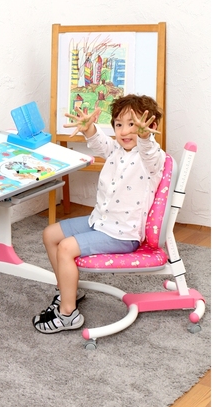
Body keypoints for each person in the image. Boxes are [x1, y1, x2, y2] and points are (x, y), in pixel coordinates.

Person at [33, 94, 166, 334]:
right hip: (99, 222)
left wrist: (145, 137)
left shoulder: (151, 159)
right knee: (50, 234)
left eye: (133, 124)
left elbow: (149, 151)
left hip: (122, 234)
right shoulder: (117, 149)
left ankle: (67, 314)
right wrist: (89, 128)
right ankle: (67, 290)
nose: (124, 131)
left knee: (66, 248)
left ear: (151, 126)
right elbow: (99, 142)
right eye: (119, 124)